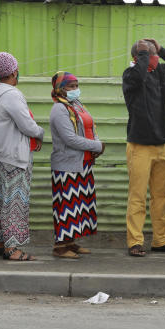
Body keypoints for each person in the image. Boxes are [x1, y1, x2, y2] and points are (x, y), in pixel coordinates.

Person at [122, 38, 165, 257]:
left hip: (161, 145)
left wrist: (160, 49)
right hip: (139, 146)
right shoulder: (131, 76)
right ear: (138, 57)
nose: (155, 59)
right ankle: (135, 241)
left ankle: (161, 240)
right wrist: (142, 53)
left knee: (162, 195)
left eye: (154, 54)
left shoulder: (159, 73)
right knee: (138, 196)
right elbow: (140, 75)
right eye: (150, 55)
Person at [0, 53, 43, 261]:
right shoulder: (11, 94)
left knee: (3, 200)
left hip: (1, 153)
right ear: (13, 72)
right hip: (14, 156)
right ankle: (12, 249)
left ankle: (1, 242)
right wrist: (40, 133)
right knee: (15, 202)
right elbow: (26, 125)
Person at [49, 71, 103, 259]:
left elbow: (89, 128)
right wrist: (97, 145)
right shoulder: (59, 109)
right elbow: (69, 139)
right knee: (67, 206)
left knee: (79, 205)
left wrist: (96, 143)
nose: (75, 89)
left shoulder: (76, 105)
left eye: (76, 85)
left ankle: (70, 242)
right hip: (66, 165)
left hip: (82, 163)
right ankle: (60, 247)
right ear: (59, 89)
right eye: (70, 86)